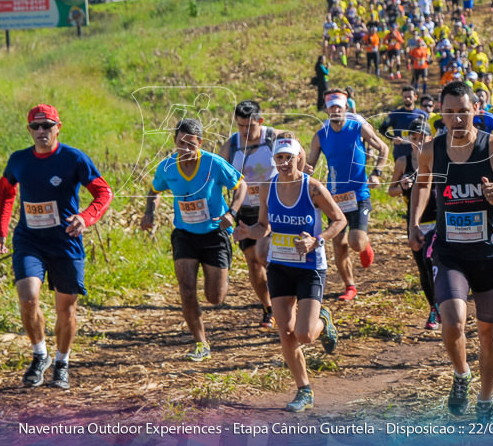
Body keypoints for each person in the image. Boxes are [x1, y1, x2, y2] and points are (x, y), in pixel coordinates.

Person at [408, 81, 493, 423]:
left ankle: (486, 398)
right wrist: (414, 223)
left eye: (463, 111)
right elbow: (422, 184)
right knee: (453, 322)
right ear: (442, 114)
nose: (457, 119)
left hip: (489, 254)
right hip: (450, 253)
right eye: (450, 113)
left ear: (476, 110)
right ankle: (461, 375)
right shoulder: (432, 149)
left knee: (489, 334)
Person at [0, 104, 113, 389]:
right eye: (35, 127)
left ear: (58, 127)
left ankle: (62, 362)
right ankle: (39, 355)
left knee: (66, 309)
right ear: (29, 130)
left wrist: (86, 218)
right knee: (28, 297)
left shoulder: (74, 159)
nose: (41, 131)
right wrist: (0, 231)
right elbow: (5, 192)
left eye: (47, 125)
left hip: (65, 241)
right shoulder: (19, 160)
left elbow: (103, 191)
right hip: (29, 240)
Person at [237, 134, 346, 412]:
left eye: (289, 157)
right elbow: (265, 227)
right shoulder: (267, 187)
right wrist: (249, 232)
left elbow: (339, 220)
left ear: (299, 157)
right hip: (280, 266)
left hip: (310, 267)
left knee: (306, 335)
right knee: (286, 333)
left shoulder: (313, 188)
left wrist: (317, 240)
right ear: (274, 160)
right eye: (279, 158)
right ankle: (304, 390)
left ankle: (323, 318)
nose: (284, 163)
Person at [142, 118, 247, 361]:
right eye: (181, 143)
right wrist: (150, 212)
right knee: (187, 289)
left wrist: (232, 212)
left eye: (191, 144)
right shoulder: (167, 167)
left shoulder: (213, 163)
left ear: (200, 143)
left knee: (214, 297)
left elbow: (241, 185)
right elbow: (154, 190)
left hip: (215, 233)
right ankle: (201, 343)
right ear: (174, 141)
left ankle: (221, 274)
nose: (186, 149)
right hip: (184, 234)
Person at [309, 91, 389, 302]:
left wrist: (377, 173)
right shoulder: (321, 136)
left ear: (346, 108)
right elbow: (310, 164)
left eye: (339, 107)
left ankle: (364, 243)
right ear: (326, 110)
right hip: (335, 197)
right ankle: (350, 286)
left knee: (355, 242)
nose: (335, 111)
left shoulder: (358, 128)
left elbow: (383, 148)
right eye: (331, 107)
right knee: (338, 244)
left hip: (359, 193)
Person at [219, 100, 278, 328]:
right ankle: (269, 308)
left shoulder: (273, 138)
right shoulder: (231, 146)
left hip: (272, 208)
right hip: (245, 209)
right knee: (253, 262)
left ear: (260, 122)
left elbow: (298, 155)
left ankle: (287, 301)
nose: (244, 131)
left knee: (268, 258)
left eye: (249, 126)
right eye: (240, 125)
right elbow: (218, 173)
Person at [387, 118, 439, 330]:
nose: (418, 142)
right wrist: (402, 186)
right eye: (414, 138)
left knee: (433, 262)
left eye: (422, 138)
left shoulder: (438, 159)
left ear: (430, 138)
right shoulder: (403, 162)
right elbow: (391, 191)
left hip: (438, 219)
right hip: (416, 221)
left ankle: (443, 305)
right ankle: (434, 308)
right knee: (424, 268)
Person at [378, 85, 429, 162]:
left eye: (410, 97)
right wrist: (392, 138)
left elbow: (427, 133)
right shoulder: (395, 114)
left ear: (415, 97)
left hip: (419, 154)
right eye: (405, 97)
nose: (407, 99)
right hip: (400, 154)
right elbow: (382, 129)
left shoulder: (423, 115)